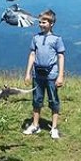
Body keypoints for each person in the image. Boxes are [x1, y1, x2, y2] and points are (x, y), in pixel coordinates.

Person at [23, 9, 65, 139]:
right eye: (40, 22)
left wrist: (60, 75)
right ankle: (35, 125)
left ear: (51, 23)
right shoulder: (36, 38)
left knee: (53, 100)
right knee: (37, 100)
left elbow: (61, 56)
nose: (41, 24)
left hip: (51, 74)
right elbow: (32, 54)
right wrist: (28, 73)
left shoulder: (56, 39)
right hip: (37, 74)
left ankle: (54, 127)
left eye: (44, 22)